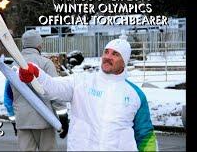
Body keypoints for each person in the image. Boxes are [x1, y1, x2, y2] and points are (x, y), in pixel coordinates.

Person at [18, 37, 158, 151]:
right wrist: (36, 74)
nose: (108, 57)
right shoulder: (82, 81)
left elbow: (145, 134)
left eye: (115, 54)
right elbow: (53, 87)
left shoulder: (135, 94)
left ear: (124, 62)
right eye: (106, 52)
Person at [8, 29, 68, 151]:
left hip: (23, 120)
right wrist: (63, 117)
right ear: (39, 45)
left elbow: (8, 96)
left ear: (23, 44)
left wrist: (14, 120)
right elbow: (55, 91)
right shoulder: (46, 63)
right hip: (44, 119)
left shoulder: (13, 65)